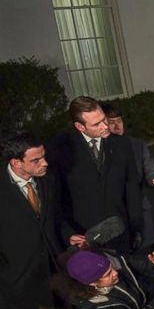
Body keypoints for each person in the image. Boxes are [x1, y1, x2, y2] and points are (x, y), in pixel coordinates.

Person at [0, 133, 71, 309]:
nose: (45, 163)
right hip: (19, 283)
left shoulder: (49, 178)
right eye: (36, 160)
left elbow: (56, 220)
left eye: (44, 156)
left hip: (55, 273)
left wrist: (70, 237)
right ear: (16, 163)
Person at [48, 96, 143, 254]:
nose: (105, 126)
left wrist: (136, 227)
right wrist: (68, 233)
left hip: (120, 232)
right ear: (80, 126)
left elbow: (131, 187)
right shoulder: (59, 150)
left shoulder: (122, 145)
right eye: (96, 124)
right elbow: (56, 198)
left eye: (104, 119)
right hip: (84, 237)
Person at [103, 103, 154, 249]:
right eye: (111, 122)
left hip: (140, 211)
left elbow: (150, 171)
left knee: (147, 253)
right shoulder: (100, 149)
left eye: (119, 121)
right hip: (113, 215)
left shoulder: (137, 145)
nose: (117, 126)